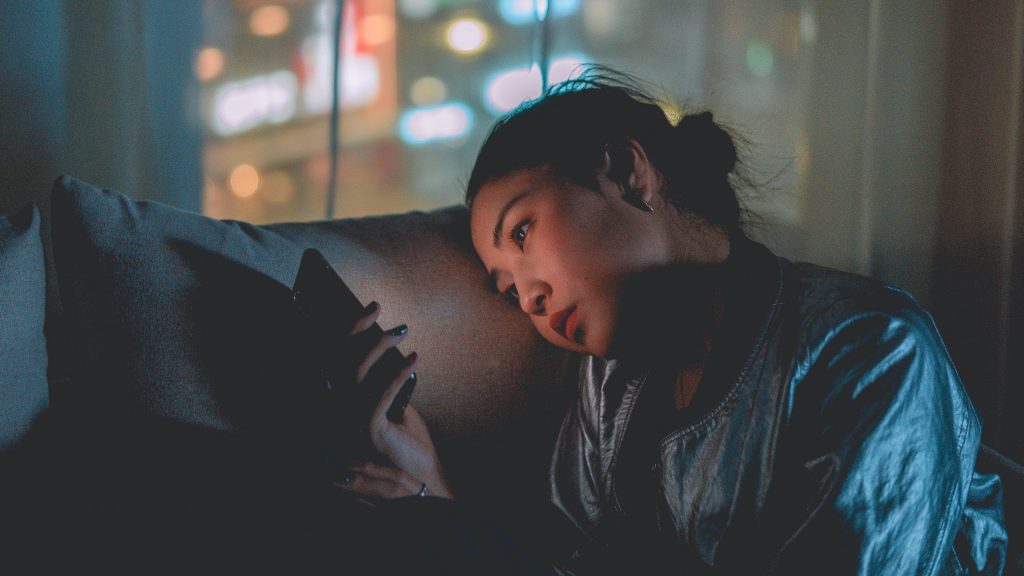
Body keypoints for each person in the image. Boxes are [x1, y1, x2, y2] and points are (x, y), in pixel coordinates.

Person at [337, 67, 1009, 574]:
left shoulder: (871, 349)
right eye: (508, 291)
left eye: (523, 232)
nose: (530, 299)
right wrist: (434, 490)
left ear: (628, 173)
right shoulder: (608, 392)